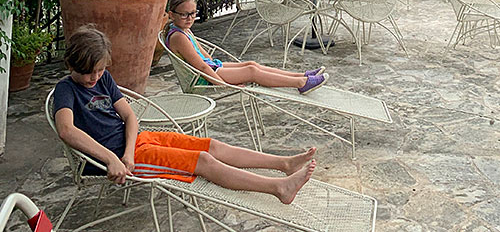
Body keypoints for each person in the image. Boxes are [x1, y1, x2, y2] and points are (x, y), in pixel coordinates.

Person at [53, 25, 317, 203]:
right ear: (71, 64)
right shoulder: (66, 89)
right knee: (202, 160)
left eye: (99, 70)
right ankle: (278, 188)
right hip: (114, 159)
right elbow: (67, 130)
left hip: (134, 146)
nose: (94, 77)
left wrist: (129, 149)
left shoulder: (104, 79)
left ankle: (283, 164)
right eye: (89, 72)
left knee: (211, 145)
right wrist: (114, 158)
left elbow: (130, 117)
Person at [165, 0, 328, 95]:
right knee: (251, 71)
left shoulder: (183, 29)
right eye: (184, 15)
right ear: (172, 15)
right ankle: (300, 83)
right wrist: (224, 85)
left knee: (251, 64)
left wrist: (221, 66)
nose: (190, 18)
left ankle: (302, 75)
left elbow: (205, 57)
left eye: (193, 13)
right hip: (204, 78)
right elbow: (200, 67)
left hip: (211, 68)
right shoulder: (178, 37)